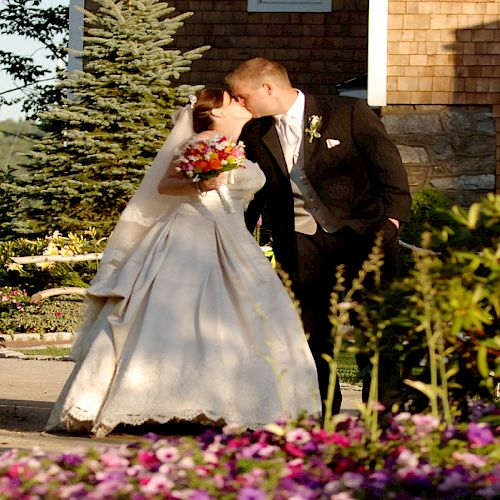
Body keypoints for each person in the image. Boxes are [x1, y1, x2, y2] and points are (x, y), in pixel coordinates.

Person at [46, 88, 321, 437]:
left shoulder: (240, 144)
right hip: (190, 234)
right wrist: (202, 182)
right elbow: (166, 185)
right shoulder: (201, 142)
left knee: (235, 319)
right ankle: (162, 400)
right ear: (215, 115)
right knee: (178, 314)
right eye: (231, 101)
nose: (240, 103)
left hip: (233, 235)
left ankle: (225, 401)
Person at [226, 58, 412, 414]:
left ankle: (385, 412)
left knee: (374, 330)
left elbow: (391, 175)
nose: (240, 104)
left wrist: (391, 226)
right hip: (299, 243)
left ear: (267, 88)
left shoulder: (349, 112)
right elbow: (258, 193)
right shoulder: (255, 133)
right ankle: (324, 411)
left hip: (364, 238)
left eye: (242, 96)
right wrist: (238, 237)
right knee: (311, 333)